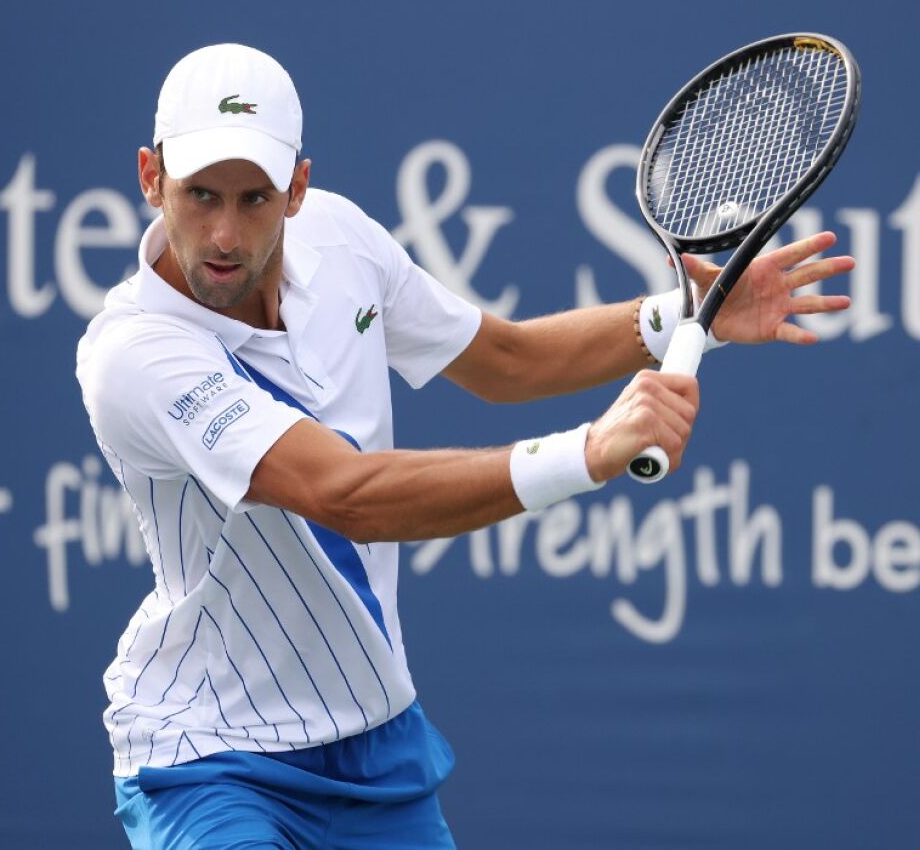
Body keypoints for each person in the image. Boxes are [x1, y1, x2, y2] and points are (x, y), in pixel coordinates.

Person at [76, 44, 854, 849]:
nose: (226, 232)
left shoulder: (342, 242)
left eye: (254, 198)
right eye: (199, 194)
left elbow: (506, 361)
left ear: (298, 190)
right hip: (211, 761)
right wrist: (588, 451)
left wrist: (684, 317)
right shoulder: (135, 354)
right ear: (150, 176)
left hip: (375, 741)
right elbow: (349, 497)